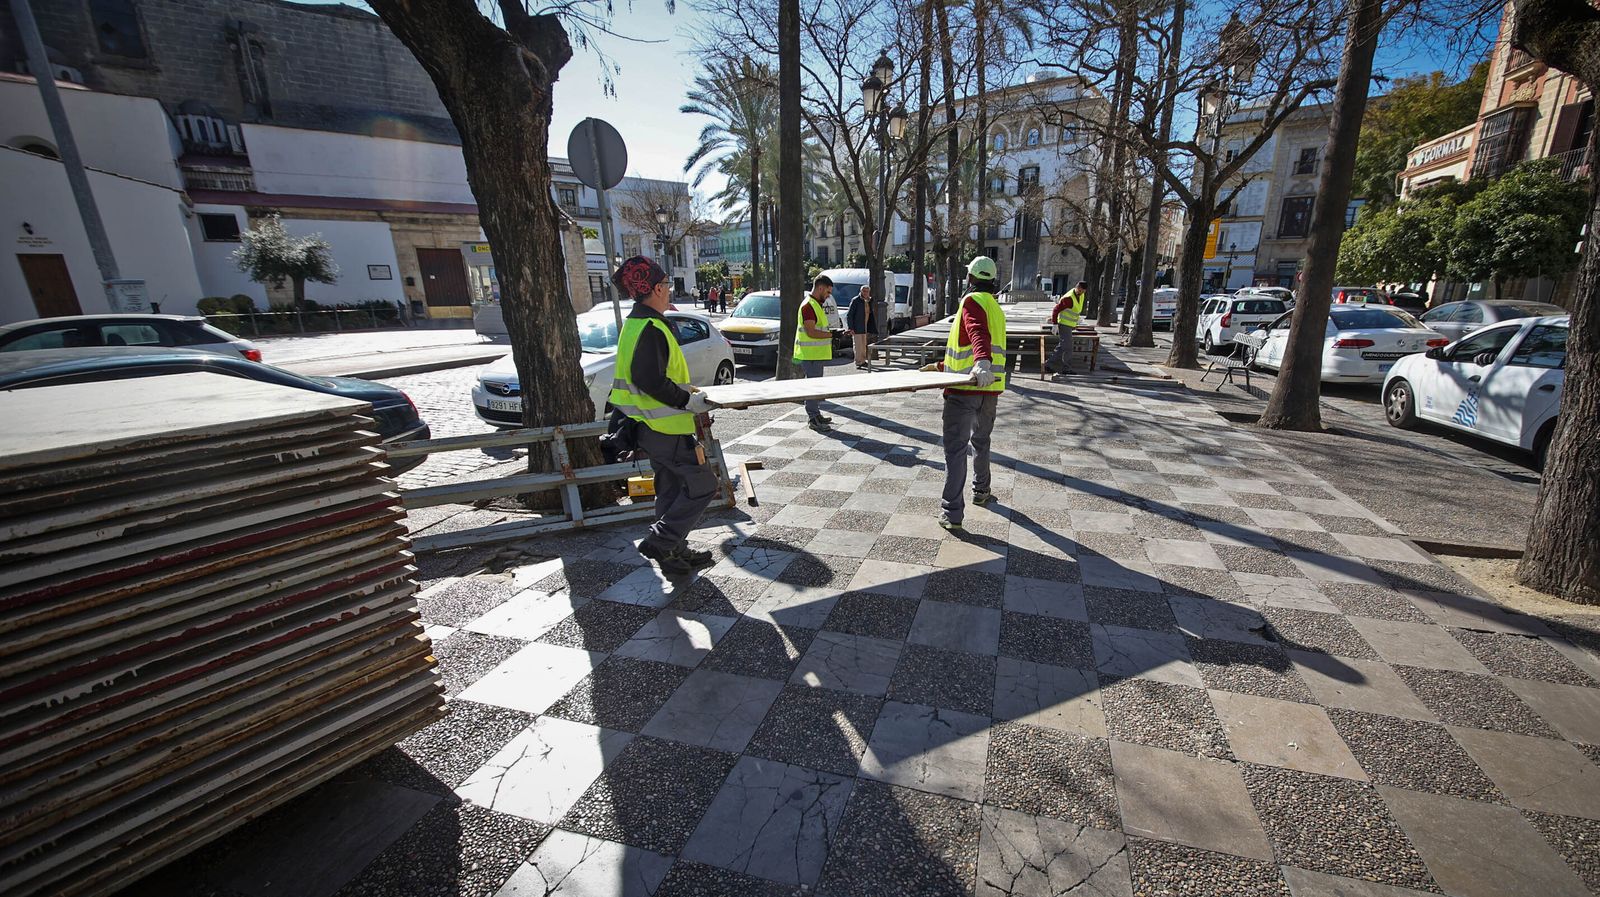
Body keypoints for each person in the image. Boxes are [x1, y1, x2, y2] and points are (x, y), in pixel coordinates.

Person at [607, 256, 718, 575]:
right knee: (703, 485)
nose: (669, 290)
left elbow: (651, 376)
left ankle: (673, 552)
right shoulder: (653, 327)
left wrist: (686, 391)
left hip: (647, 427)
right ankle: (662, 540)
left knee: (669, 489)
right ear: (656, 288)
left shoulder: (635, 323)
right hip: (665, 428)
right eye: (667, 285)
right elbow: (649, 379)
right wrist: (687, 400)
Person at [921, 256, 1006, 531]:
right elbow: (972, 345)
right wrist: (942, 366)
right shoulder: (996, 307)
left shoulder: (971, 302)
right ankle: (982, 490)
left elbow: (978, 335)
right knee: (982, 442)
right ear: (992, 281)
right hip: (989, 389)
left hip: (965, 387)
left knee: (955, 450)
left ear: (970, 279)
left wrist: (981, 362)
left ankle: (952, 512)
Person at [796, 274, 836, 432]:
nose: (828, 295)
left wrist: (832, 333)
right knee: (811, 387)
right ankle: (813, 418)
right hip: (810, 354)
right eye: (828, 292)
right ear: (820, 288)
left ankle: (816, 414)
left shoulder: (814, 304)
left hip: (815, 354)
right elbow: (811, 332)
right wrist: (832, 335)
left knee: (815, 386)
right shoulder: (809, 306)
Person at [1045, 280, 1087, 378]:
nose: (1080, 293)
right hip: (1064, 325)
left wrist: (1077, 320)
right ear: (1077, 287)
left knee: (1063, 346)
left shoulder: (1081, 295)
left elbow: (1075, 310)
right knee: (1068, 347)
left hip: (1070, 324)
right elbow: (1056, 310)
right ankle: (1066, 368)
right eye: (1079, 290)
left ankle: (1048, 364)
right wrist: (1055, 324)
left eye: (1082, 291)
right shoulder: (1068, 298)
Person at [847, 284, 876, 370]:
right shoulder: (856, 300)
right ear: (861, 291)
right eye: (864, 291)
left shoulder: (868, 300)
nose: (866, 293)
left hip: (865, 326)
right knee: (858, 345)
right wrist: (851, 327)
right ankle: (859, 362)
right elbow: (850, 315)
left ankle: (863, 361)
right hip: (857, 326)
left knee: (863, 345)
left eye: (867, 291)